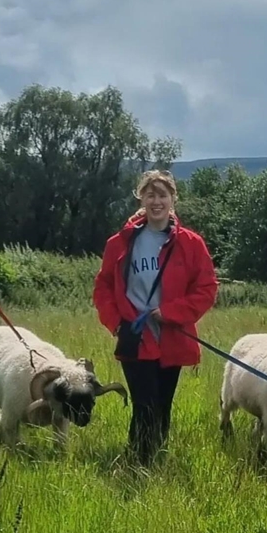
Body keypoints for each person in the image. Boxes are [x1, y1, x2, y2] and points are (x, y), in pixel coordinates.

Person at [92, 169, 218, 466]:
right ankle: (139, 461)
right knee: (144, 403)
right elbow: (103, 287)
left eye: (162, 195)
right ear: (141, 198)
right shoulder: (119, 243)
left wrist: (171, 312)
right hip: (135, 336)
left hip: (172, 335)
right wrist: (117, 323)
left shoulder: (191, 243)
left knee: (162, 404)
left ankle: (156, 458)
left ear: (173, 199)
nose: (156, 201)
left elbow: (207, 288)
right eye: (150, 195)